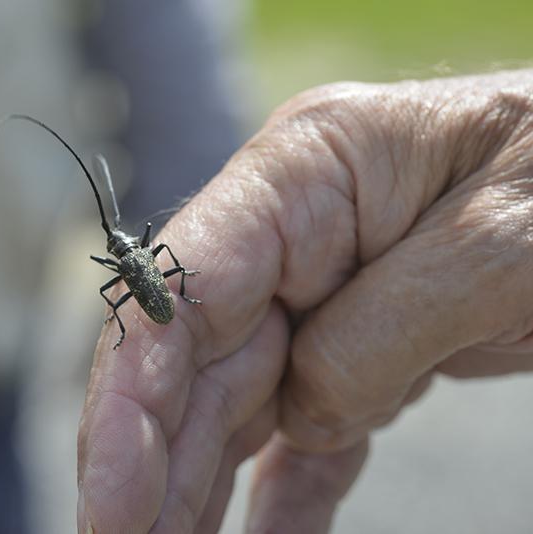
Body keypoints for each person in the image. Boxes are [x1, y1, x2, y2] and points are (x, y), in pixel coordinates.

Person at [76, 69, 533, 533]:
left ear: (121, 250)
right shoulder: (143, 256)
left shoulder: (130, 262)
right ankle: (179, 285)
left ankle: (170, 292)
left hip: (161, 304)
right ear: (125, 250)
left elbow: (113, 286)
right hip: (164, 301)